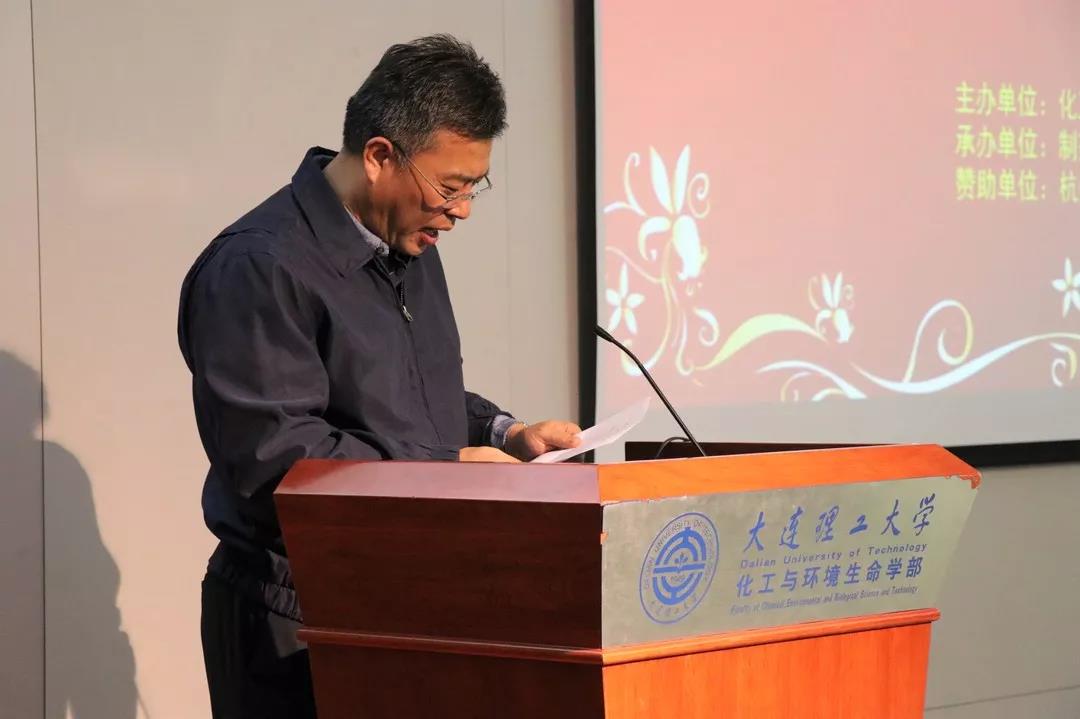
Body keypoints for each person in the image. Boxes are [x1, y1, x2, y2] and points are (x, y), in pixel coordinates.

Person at [177, 34, 581, 718]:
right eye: (449, 188)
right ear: (379, 157)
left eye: (474, 188)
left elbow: (407, 401)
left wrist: (503, 434)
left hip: (407, 600)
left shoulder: (408, 242)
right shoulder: (259, 266)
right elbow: (277, 460)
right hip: (296, 617)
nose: (462, 210)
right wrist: (445, 471)